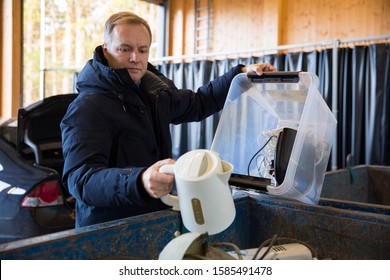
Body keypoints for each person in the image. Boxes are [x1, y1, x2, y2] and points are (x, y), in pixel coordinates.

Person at [61, 11, 276, 228]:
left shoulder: (154, 95)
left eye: (142, 50)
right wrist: (139, 181)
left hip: (154, 221)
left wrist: (240, 75)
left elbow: (200, 102)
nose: (135, 58)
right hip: (108, 231)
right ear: (106, 49)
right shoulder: (87, 108)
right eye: (125, 49)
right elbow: (81, 179)